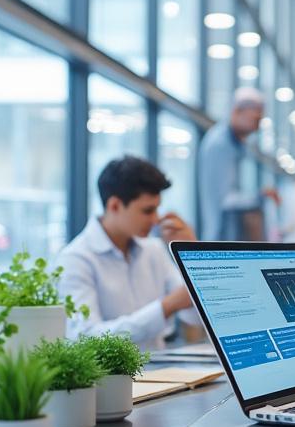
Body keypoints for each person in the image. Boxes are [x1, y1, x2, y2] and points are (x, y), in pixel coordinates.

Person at [57, 156, 202, 351]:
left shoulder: (154, 249)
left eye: (157, 209)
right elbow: (86, 338)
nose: (156, 220)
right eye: (147, 210)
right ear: (114, 205)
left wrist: (190, 255)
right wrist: (165, 307)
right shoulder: (76, 259)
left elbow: (193, 316)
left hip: (161, 371)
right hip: (111, 380)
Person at [198, 87, 276, 240]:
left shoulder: (235, 145)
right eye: (255, 119)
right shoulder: (220, 144)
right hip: (221, 240)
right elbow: (224, 199)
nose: (257, 126)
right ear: (236, 111)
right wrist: (258, 196)